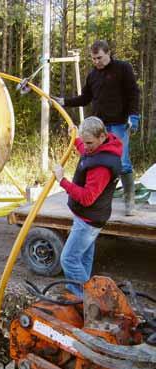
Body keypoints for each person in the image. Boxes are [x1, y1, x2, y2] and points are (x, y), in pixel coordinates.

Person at [54, 40, 140, 216]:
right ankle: (95, 198)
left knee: (122, 163)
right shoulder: (93, 75)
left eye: (99, 58)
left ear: (108, 53)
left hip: (118, 124)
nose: (96, 62)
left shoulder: (123, 68)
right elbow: (85, 98)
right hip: (98, 126)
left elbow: (133, 92)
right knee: (95, 160)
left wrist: (134, 115)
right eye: (93, 59)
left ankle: (129, 201)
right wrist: (64, 102)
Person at [53, 116, 122, 297]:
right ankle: (80, 296)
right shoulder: (100, 150)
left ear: (102, 136)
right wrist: (76, 139)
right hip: (90, 217)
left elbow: (87, 198)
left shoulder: (102, 166)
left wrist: (62, 180)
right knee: (83, 257)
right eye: (85, 142)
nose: (87, 146)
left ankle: (93, 300)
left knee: (68, 259)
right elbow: (85, 151)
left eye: (89, 142)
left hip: (88, 220)